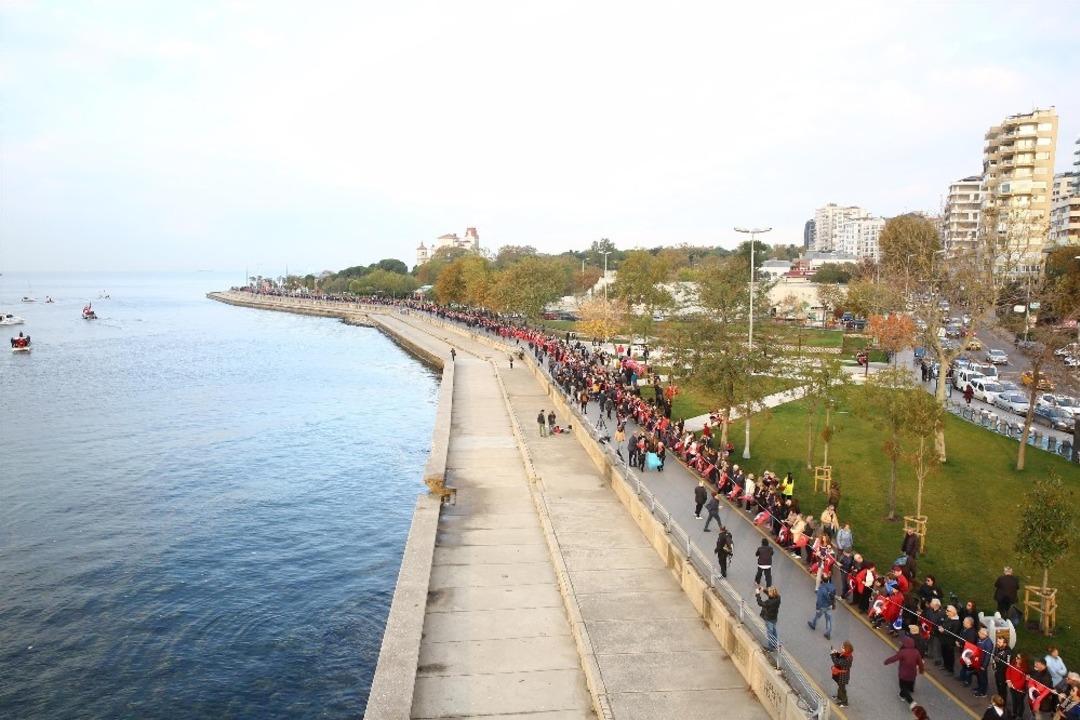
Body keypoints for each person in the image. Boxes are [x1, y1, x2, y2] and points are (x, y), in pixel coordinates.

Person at [884, 635, 925, 704]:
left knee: (903, 687)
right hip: (912, 674)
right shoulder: (916, 652)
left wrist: (886, 662)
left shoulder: (903, 652)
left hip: (903, 674)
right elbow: (920, 663)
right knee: (909, 685)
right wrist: (921, 670)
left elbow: (894, 658)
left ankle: (911, 701)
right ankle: (904, 694)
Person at [808, 575, 837, 640]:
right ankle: (828, 633)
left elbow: (819, 600)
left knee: (817, 616)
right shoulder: (832, 586)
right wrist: (833, 604)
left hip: (822, 606)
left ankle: (813, 625)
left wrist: (817, 608)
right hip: (829, 606)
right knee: (829, 620)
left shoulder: (821, 588)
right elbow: (834, 597)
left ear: (822, 580)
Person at [830, 642, 854, 708]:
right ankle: (839, 697)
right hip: (841, 675)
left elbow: (837, 662)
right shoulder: (846, 654)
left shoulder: (847, 658)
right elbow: (840, 656)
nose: (841, 648)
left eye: (843, 647)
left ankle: (845, 702)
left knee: (842, 689)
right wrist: (836, 653)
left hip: (843, 676)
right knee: (840, 687)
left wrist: (833, 654)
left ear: (847, 650)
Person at [757, 586, 781, 652]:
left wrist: (757, 594)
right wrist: (764, 590)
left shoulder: (769, 602)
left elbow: (760, 603)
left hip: (769, 619)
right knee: (774, 631)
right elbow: (771, 595)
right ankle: (775, 644)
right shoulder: (778, 598)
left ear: (771, 593)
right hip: (774, 618)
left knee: (770, 633)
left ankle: (771, 648)